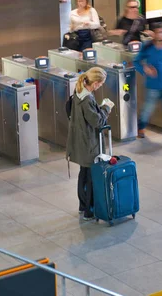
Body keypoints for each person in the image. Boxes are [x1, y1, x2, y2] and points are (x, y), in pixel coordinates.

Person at [66, 67, 114, 220]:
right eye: (100, 84)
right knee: (91, 177)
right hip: (89, 143)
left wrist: (98, 108)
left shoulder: (78, 92)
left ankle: (82, 206)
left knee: (83, 173)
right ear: (94, 83)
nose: (99, 87)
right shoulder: (87, 98)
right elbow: (97, 122)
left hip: (80, 140)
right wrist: (106, 108)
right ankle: (89, 210)